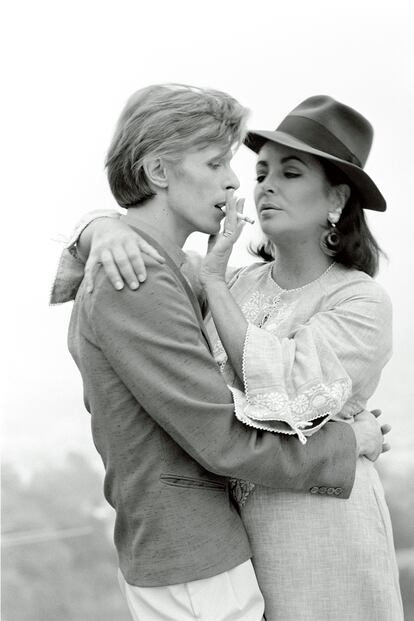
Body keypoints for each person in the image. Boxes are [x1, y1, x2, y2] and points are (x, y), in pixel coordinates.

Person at [51, 85, 388, 621]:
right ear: (161, 173)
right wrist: (100, 227)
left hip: (316, 524)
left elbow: (281, 392)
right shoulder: (167, 278)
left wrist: (107, 229)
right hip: (207, 543)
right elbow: (222, 436)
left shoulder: (353, 298)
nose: (246, 185)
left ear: (337, 200)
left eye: (290, 173)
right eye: (233, 167)